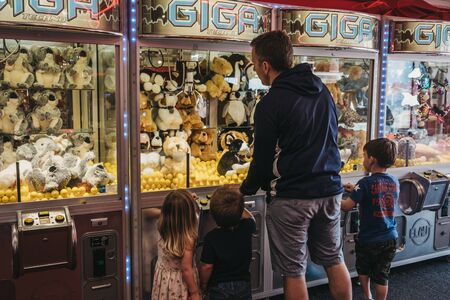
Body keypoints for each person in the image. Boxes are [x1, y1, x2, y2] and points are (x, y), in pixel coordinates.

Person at [239, 30, 352, 300]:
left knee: (294, 270)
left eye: (254, 64)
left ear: (266, 65)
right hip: (329, 190)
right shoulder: (322, 91)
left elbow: (263, 159)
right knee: (334, 260)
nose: (255, 70)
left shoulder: (269, 104)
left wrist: (245, 189)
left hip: (292, 196)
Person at [342, 138, 399, 300]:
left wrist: (331, 200)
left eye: (364, 156)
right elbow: (380, 194)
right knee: (382, 275)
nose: (363, 159)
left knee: (363, 268)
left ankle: (368, 297)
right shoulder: (394, 181)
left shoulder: (365, 182)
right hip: (390, 237)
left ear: (372, 159)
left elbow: (346, 206)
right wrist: (356, 190)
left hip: (369, 239)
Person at [198, 186, 256, 300]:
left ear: (213, 216)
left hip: (218, 287)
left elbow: (206, 266)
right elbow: (251, 218)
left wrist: (203, 285)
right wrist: (239, 206)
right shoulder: (247, 227)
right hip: (243, 284)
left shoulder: (211, 238)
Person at [151, 189, 201, 300]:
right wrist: (194, 292)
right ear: (189, 214)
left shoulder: (162, 226)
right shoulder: (188, 238)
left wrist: (186, 202)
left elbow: (172, 212)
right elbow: (186, 269)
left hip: (164, 282)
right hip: (179, 284)